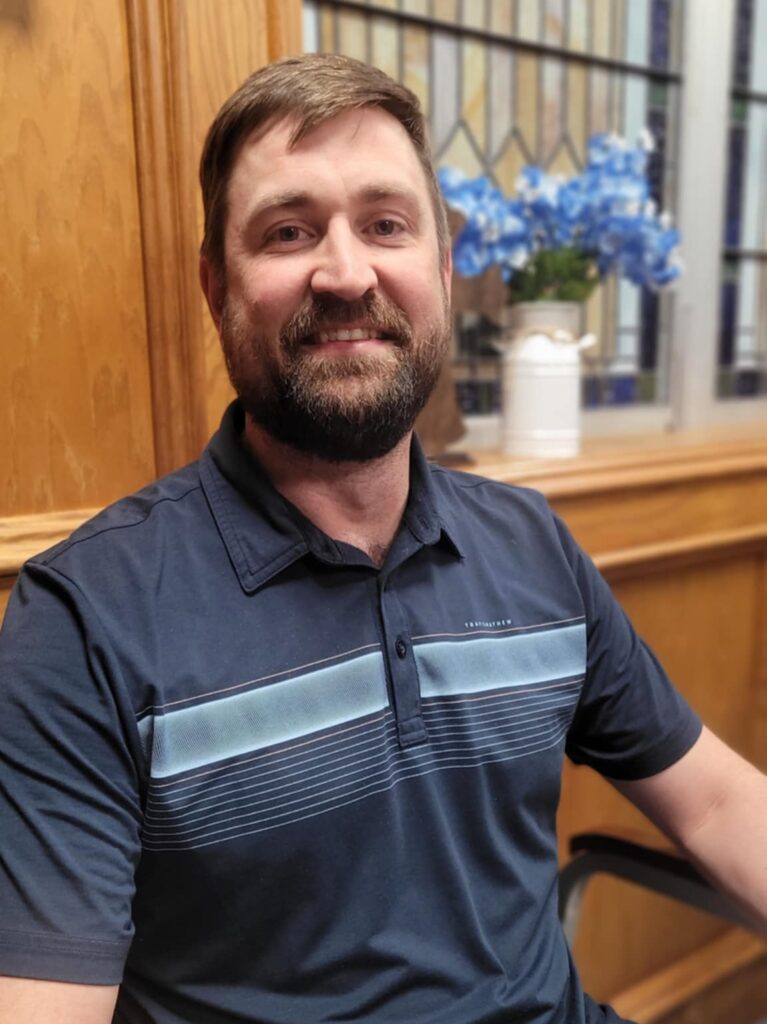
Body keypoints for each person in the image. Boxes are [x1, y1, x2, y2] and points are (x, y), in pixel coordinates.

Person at [0, 52, 765, 1024]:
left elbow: (714, 803)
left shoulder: (529, 544)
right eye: (287, 231)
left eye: (385, 224)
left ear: (440, 269)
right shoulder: (86, 620)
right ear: (214, 286)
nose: (345, 272)